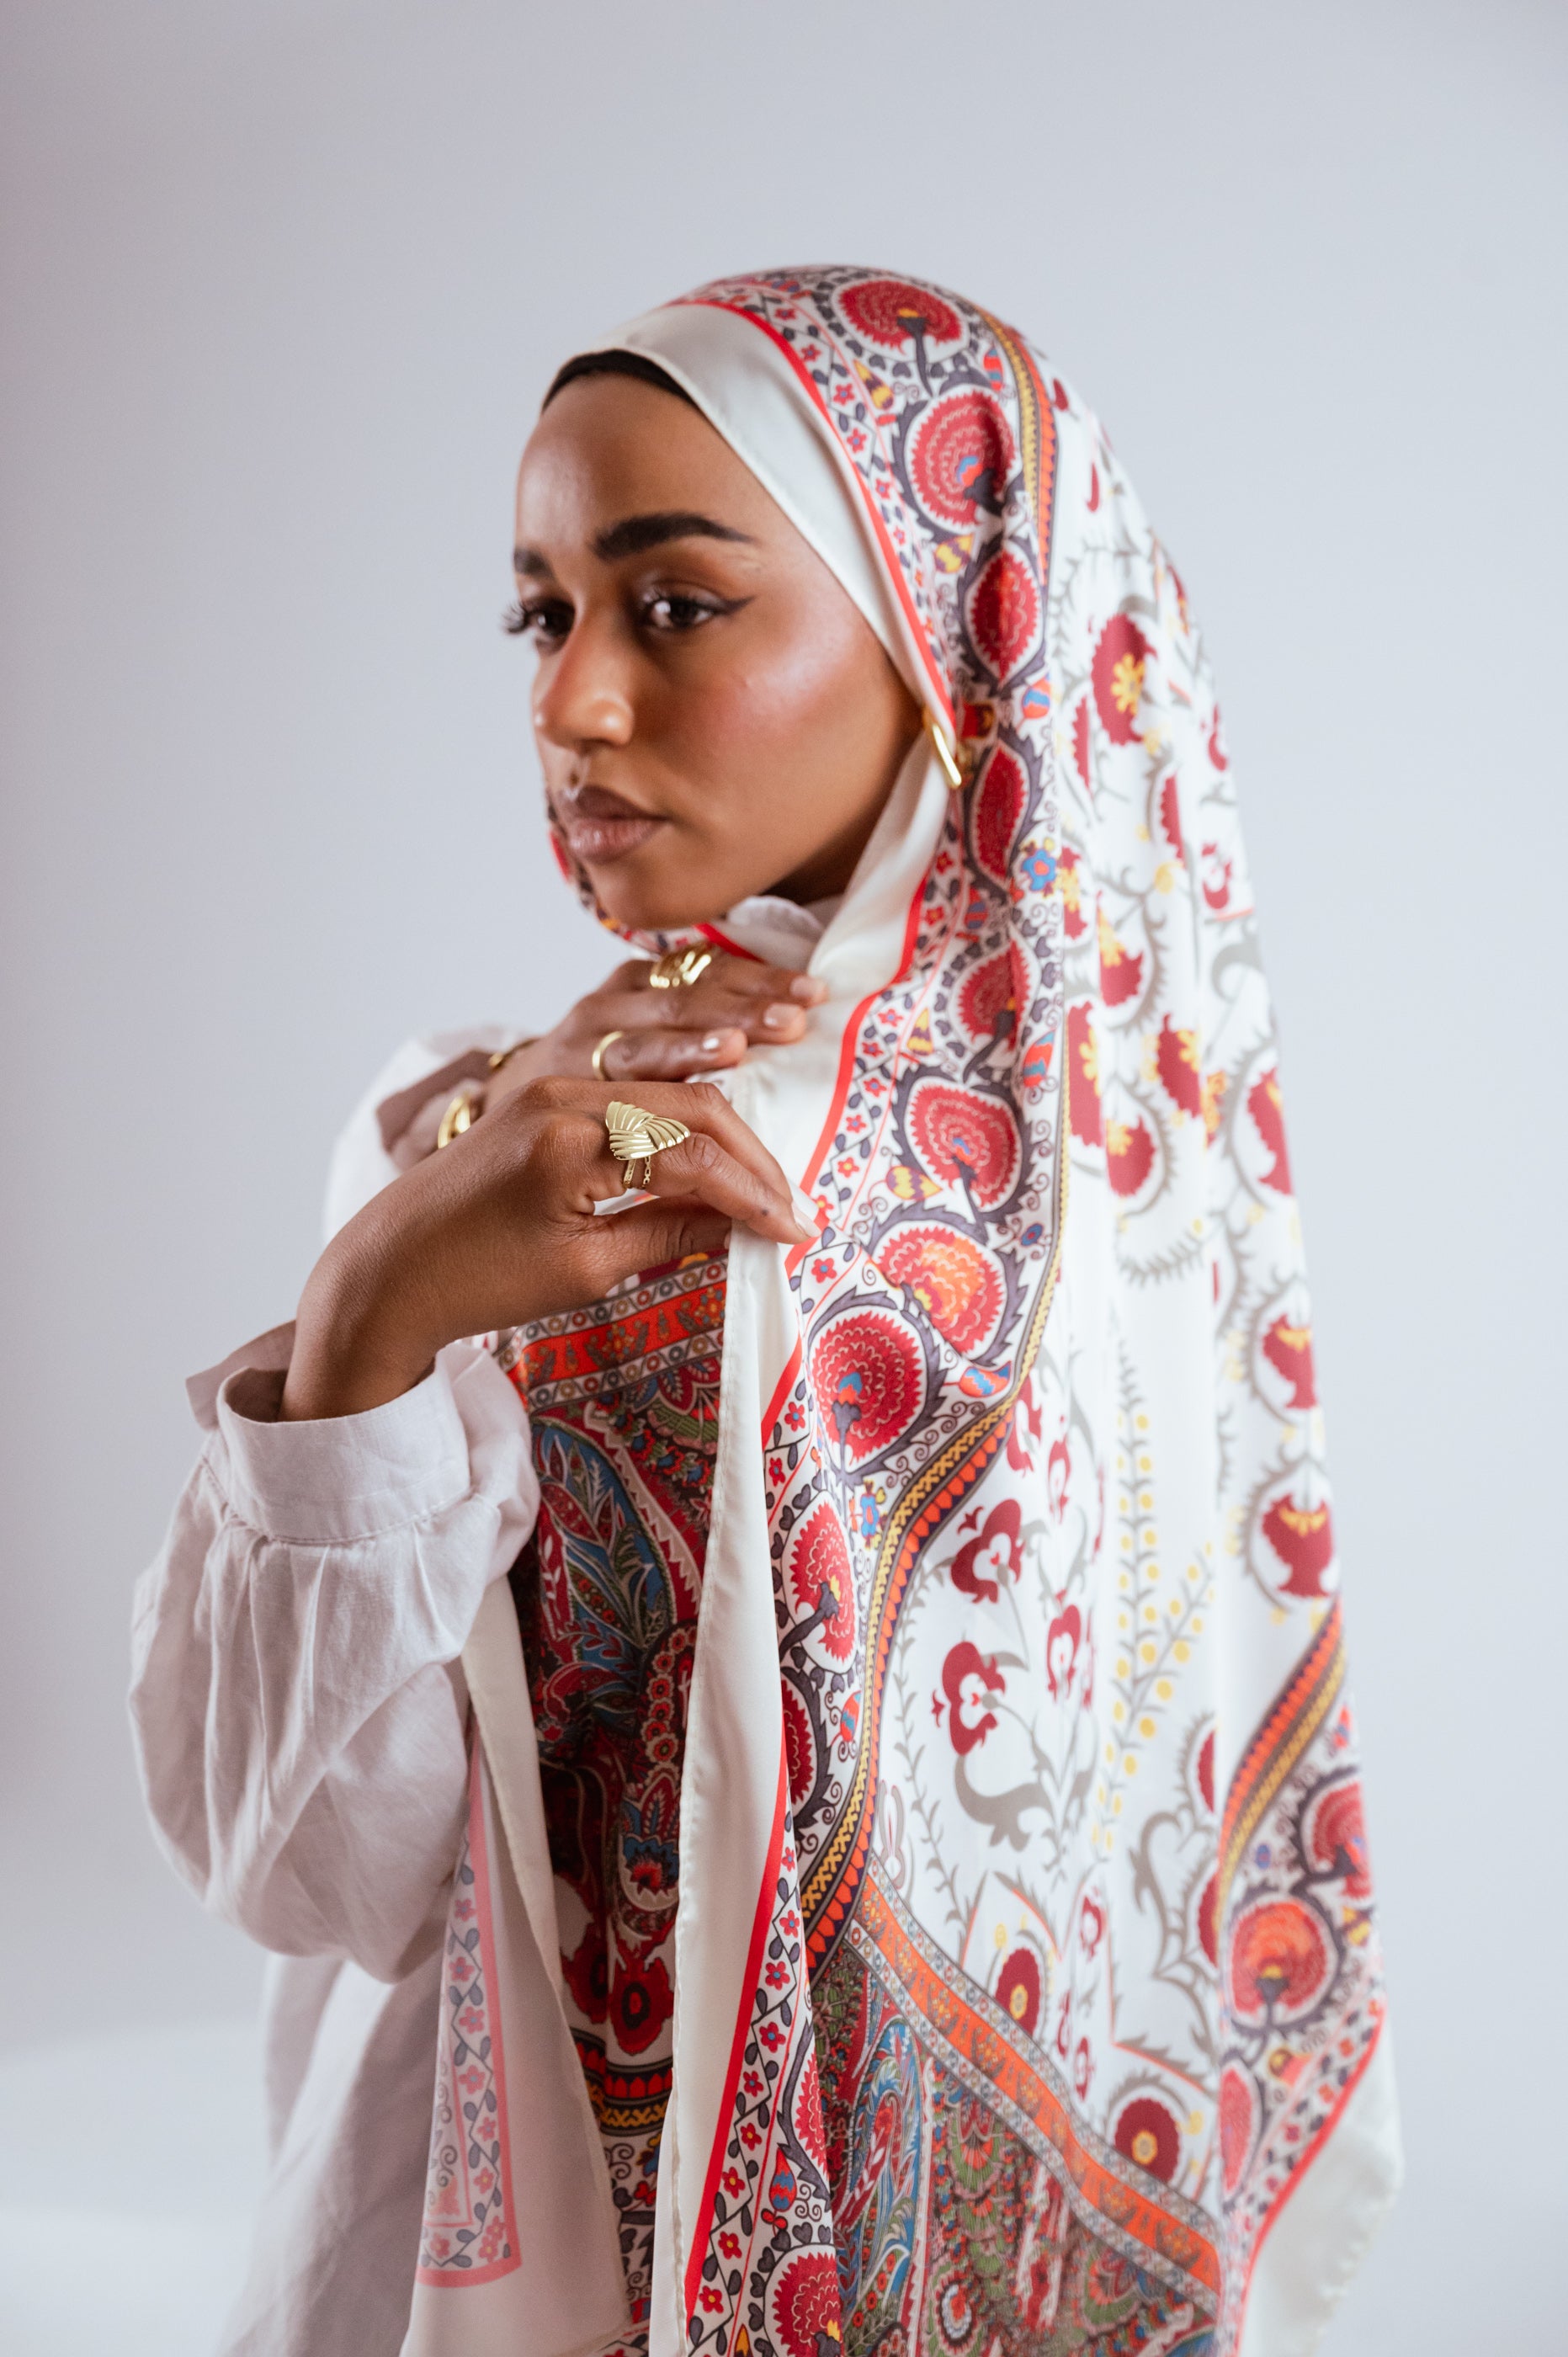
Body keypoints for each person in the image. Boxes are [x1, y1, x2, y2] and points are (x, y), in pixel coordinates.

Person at [130, 269, 1400, 2357]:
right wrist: (375, 1297)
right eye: (539, 612)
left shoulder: (1140, 1210)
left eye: (674, 603)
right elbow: (313, 1877)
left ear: (950, 632)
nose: (568, 703)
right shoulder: (498, 1152)